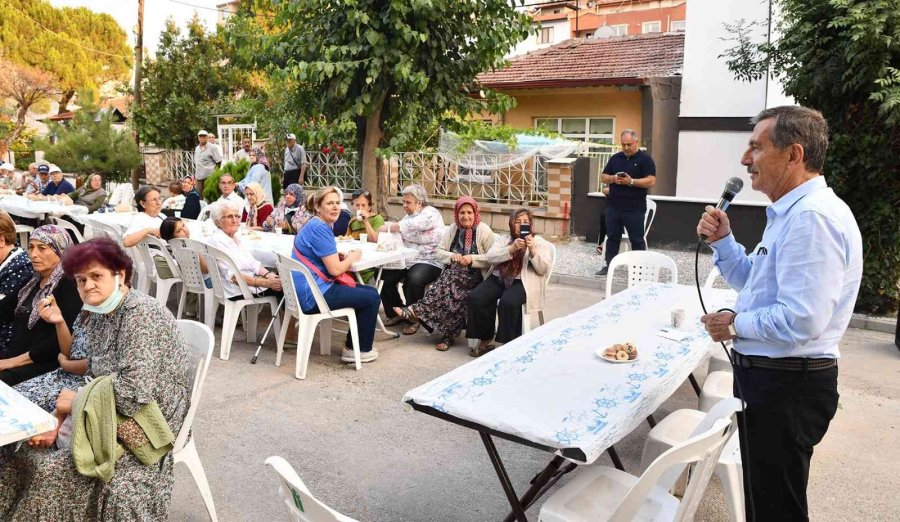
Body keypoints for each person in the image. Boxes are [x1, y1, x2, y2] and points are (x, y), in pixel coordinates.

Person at [697, 106, 862, 521]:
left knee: (775, 509)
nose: (744, 159)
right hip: (778, 381)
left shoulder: (812, 219)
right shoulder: (791, 214)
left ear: (793, 154)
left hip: (787, 386)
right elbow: (755, 282)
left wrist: (733, 324)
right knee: (766, 498)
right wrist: (725, 242)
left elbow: (802, 320)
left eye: (756, 146)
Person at [0, 238, 193, 520]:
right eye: (81, 280)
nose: (88, 285)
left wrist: (72, 405)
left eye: (96, 276)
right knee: (19, 443)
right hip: (104, 399)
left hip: (149, 415)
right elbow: (82, 362)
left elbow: (134, 392)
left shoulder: (140, 315)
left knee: (52, 469)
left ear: (121, 275)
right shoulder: (97, 311)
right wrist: (62, 411)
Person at [393, 197, 495, 351]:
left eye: (469, 212)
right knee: (452, 290)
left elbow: (493, 258)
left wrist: (472, 259)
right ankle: (446, 335)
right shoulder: (453, 229)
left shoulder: (484, 231)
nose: (465, 216)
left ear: (475, 213)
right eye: (462, 212)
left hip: (477, 277)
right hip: (455, 276)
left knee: (449, 283)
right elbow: (439, 252)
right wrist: (451, 256)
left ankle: (417, 311)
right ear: (456, 213)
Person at [292, 186, 380, 363]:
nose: (335, 207)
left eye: (338, 203)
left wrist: (337, 258)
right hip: (314, 294)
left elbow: (320, 258)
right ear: (318, 207)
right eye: (330, 203)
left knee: (369, 292)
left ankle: (352, 345)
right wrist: (352, 257)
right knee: (371, 298)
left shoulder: (315, 223)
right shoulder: (320, 228)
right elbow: (335, 270)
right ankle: (358, 350)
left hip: (306, 290)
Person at [0, 225, 82, 385]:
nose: (33, 254)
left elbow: (57, 344)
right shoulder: (33, 281)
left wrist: (12, 362)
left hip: (44, 365)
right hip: (15, 356)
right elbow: (4, 310)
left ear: (61, 251)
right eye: (31, 247)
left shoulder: (69, 285)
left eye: (42, 248)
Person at [467, 209, 552, 357]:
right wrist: (511, 249)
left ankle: (509, 343)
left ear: (531, 224)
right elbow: (491, 257)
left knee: (508, 303)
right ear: (511, 224)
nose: (521, 225)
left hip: (522, 282)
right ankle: (485, 337)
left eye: (526, 222)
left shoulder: (539, 242)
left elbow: (543, 268)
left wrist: (532, 250)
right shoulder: (503, 239)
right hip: (499, 277)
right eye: (517, 222)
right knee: (477, 297)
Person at [378, 184, 445, 335]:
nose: (404, 206)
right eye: (404, 202)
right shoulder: (409, 215)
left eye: (408, 202)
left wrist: (391, 227)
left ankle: (414, 318)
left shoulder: (430, 213)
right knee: (384, 275)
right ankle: (396, 312)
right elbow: (407, 234)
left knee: (413, 279)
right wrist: (410, 235)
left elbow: (410, 227)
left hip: (429, 260)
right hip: (407, 259)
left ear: (419, 202)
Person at [595, 129, 656, 276]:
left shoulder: (645, 160)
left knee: (637, 239)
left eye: (629, 144)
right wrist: (613, 179)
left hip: (634, 208)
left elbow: (651, 180)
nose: (626, 148)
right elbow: (603, 177)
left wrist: (631, 181)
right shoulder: (616, 158)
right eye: (623, 145)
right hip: (614, 206)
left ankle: (639, 269)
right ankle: (609, 265)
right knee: (612, 237)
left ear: (636, 142)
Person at [207, 201, 282, 300]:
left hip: (248, 283)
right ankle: (294, 315)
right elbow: (233, 277)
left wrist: (268, 274)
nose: (235, 220)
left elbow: (252, 263)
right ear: (218, 221)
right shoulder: (218, 242)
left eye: (237, 216)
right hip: (237, 290)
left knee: (284, 281)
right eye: (230, 217)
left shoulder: (234, 238)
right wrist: (266, 283)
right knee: (288, 288)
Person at [0, 211, 33, 353]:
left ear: (1, 240)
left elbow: (4, 313)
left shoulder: (20, 268)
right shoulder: (8, 261)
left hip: (8, 342)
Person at [194, 129, 222, 195]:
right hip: (199, 175)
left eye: (204, 136)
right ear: (198, 137)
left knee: (208, 194)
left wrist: (215, 173)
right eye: (200, 136)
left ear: (207, 137)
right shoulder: (197, 148)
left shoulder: (212, 147)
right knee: (198, 194)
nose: (202, 137)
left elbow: (219, 161)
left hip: (209, 176)